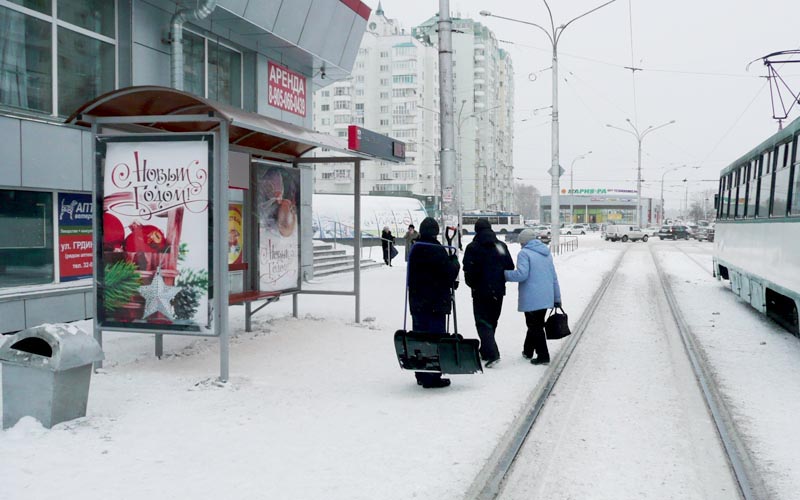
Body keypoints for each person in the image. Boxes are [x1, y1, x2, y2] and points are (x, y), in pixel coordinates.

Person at [407, 217, 461, 388]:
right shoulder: (437, 250)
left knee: (420, 337)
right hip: (435, 303)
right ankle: (432, 377)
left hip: (418, 302)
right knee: (435, 338)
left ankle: (421, 373)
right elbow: (447, 274)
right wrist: (454, 262)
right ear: (436, 232)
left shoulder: (415, 249)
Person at [504, 229, 562, 365]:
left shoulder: (524, 253)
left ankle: (543, 355)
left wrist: (504, 274)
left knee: (535, 326)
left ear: (523, 242)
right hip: (546, 296)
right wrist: (557, 298)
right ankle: (528, 351)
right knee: (536, 324)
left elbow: (522, 275)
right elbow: (553, 277)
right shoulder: (546, 253)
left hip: (532, 297)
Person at [463, 218, 514, 368]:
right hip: (498, 291)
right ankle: (485, 350)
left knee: (482, 322)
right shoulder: (500, 246)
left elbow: (468, 269)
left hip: (480, 291)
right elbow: (510, 266)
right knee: (492, 321)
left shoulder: (472, 247)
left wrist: (472, 284)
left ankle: (492, 353)